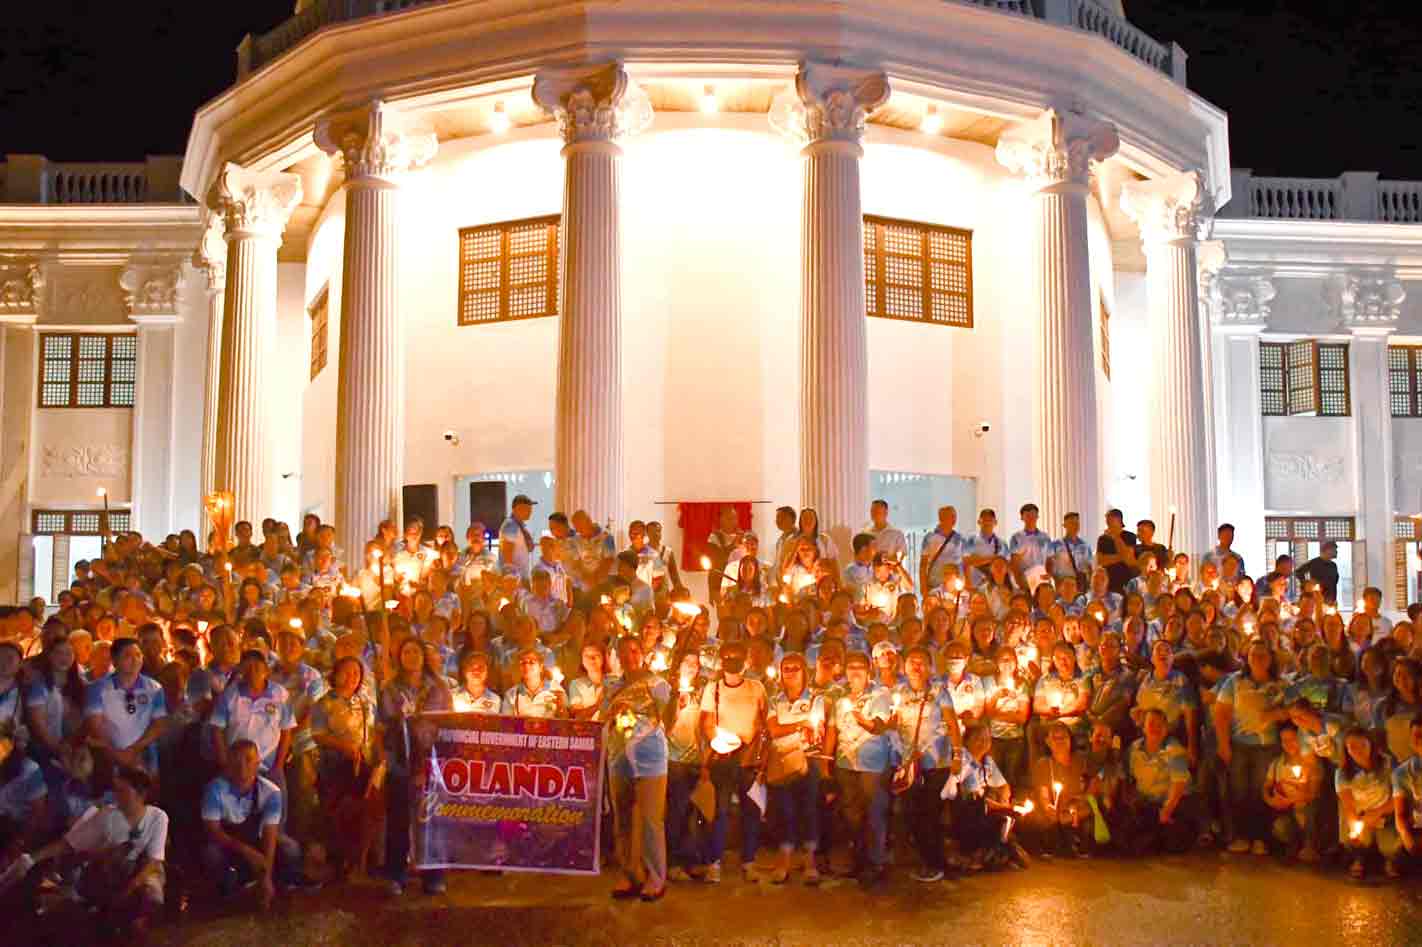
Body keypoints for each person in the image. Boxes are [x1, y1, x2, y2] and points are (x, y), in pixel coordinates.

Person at [14, 765, 167, 937]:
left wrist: (130, 889)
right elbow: (70, 843)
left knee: (150, 896)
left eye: (123, 791)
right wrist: (33, 858)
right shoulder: (106, 817)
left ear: (141, 793)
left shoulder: (158, 817)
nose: (117, 795)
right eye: (116, 790)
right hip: (114, 876)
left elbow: (153, 861)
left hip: (144, 876)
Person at [379, 637, 453, 896]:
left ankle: (433, 875)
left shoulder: (439, 688)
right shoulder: (390, 689)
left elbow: (447, 724)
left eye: (416, 652)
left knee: (431, 818)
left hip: (431, 762)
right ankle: (396, 874)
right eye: (406, 651)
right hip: (400, 761)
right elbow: (385, 726)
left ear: (424, 656)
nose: (411, 656)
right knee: (398, 820)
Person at [605, 635, 671, 901]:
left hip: (650, 757)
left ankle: (656, 877)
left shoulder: (657, 684)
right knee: (622, 818)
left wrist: (674, 698)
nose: (629, 657)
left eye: (634, 651)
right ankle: (629, 874)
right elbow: (606, 716)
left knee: (650, 819)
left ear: (642, 653)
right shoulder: (612, 687)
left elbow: (669, 719)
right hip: (619, 757)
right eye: (624, 653)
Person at [201, 739, 304, 908]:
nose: (242, 767)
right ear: (228, 763)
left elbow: (270, 834)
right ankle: (227, 891)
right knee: (211, 854)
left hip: (257, 840)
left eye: (248, 760)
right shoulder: (214, 790)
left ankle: (278, 886)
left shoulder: (271, 792)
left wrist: (266, 876)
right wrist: (247, 852)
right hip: (228, 844)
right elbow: (214, 831)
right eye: (237, 760)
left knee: (291, 848)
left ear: (258, 763)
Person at [698, 640, 767, 883]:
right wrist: (719, 740)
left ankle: (748, 861)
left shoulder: (756, 687)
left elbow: (763, 721)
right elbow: (706, 721)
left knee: (751, 810)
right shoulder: (713, 688)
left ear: (747, 661)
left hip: (748, 756)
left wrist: (757, 753)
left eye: (738, 658)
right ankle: (714, 862)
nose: (732, 662)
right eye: (728, 657)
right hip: (724, 756)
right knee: (721, 809)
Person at [1214, 640, 1290, 854]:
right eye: (1254, 655)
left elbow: (1292, 710)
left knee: (1261, 792)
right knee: (1239, 791)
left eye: (1263, 655)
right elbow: (1221, 715)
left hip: (1267, 747)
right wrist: (1223, 744)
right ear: (1247, 657)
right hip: (1239, 745)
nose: (1258, 659)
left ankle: (1260, 837)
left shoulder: (1281, 685)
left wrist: (1276, 714)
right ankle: (1240, 835)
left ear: (1270, 659)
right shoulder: (1234, 682)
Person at [310, 656, 381, 879]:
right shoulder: (324, 703)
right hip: (334, 767)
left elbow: (373, 732)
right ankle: (337, 862)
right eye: (347, 672)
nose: (352, 677)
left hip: (363, 767)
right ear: (336, 674)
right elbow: (318, 735)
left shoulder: (365, 702)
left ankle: (360, 860)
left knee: (363, 812)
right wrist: (343, 747)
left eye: (356, 673)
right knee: (335, 814)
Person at [894, 646, 959, 882]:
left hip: (936, 762)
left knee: (930, 813)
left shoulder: (940, 692)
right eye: (911, 661)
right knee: (912, 813)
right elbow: (895, 725)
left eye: (922, 662)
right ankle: (927, 859)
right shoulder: (899, 693)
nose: (916, 666)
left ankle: (935, 863)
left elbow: (952, 723)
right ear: (904, 666)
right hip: (909, 763)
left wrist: (958, 755)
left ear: (930, 667)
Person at [83, 637, 168, 776]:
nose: (135, 660)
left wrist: (134, 749)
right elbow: (95, 726)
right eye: (127, 655)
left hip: (144, 758)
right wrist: (117, 754)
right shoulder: (97, 688)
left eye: (138, 655)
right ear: (115, 661)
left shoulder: (155, 688)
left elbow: (159, 724)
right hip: (108, 759)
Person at [1123, 708, 1197, 854]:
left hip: (1173, 805)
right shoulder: (1134, 749)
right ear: (1143, 727)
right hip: (1147, 805)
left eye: (1160, 724)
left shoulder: (1173, 750)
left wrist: (1166, 811)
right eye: (1151, 723)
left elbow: (1179, 785)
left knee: (1173, 842)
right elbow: (1128, 778)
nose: (1156, 728)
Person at [1336, 727, 1398, 880]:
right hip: (1361, 815)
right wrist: (1355, 825)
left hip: (1386, 813)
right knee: (1354, 839)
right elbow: (1348, 805)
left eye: (1363, 745)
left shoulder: (1388, 763)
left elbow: (1399, 797)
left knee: (1390, 846)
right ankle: (1359, 858)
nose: (1358, 751)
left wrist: (1378, 813)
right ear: (1346, 749)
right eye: (1352, 747)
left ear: (1371, 744)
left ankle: (1390, 859)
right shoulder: (1342, 773)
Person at [1262, 723, 1323, 862]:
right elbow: (1266, 786)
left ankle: (1310, 845)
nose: (1288, 744)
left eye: (1292, 739)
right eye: (1284, 740)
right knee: (1280, 826)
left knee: (1310, 812)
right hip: (1288, 812)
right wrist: (1270, 800)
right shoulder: (1277, 763)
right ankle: (1292, 844)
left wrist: (1293, 799)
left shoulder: (1311, 763)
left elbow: (1314, 794)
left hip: (1308, 813)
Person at [919, 506, 965, 594]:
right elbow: (923, 565)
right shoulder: (930, 537)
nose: (954, 519)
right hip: (935, 584)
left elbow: (962, 563)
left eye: (954, 516)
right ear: (941, 518)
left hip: (954, 587)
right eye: (950, 516)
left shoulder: (959, 538)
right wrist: (923, 587)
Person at [1095, 510, 1137, 597]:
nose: (1108, 525)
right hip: (1108, 580)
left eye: (1110, 521)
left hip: (1126, 579)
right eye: (1107, 522)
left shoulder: (1130, 536)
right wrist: (1121, 556)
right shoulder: (1102, 539)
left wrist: (1115, 537)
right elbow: (1101, 561)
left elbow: (1129, 560)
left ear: (1119, 520)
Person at [498, 494, 538, 581]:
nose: (530, 511)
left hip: (520, 576)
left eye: (530, 508)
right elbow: (507, 554)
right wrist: (512, 578)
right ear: (517, 509)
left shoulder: (518, 525)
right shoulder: (511, 525)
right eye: (527, 508)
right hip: (515, 579)